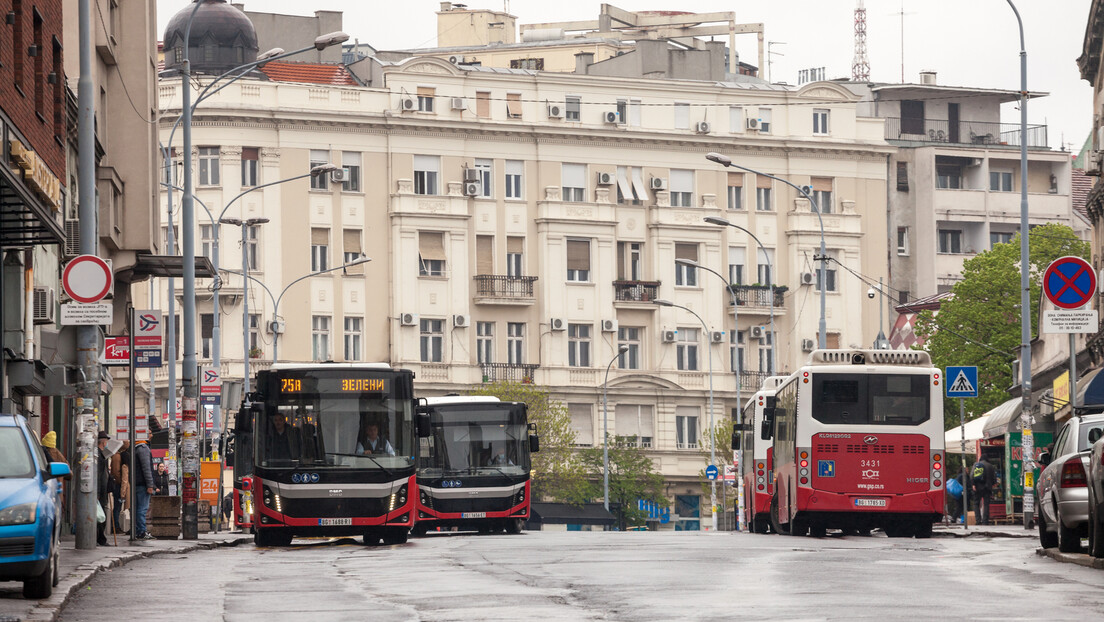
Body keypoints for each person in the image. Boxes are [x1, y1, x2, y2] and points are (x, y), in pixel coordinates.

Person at [132, 439, 156, 540]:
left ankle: (138, 530)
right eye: (149, 434)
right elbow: (147, 468)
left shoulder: (135, 449)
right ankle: (141, 531)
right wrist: (150, 485)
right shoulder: (143, 448)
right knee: (142, 509)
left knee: (137, 509)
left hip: (136, 483)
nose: (151, 436)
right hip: (142, 484)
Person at [96, 431, 111, 546]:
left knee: (101, 515)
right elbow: (99, 475)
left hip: (102, 490)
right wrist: (99, 492)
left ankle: (100, 538)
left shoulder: (102, 455)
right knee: (100, 516)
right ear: (103, 441)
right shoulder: (99, 456)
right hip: (100, 491)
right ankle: (100, 538)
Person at [971, 456, 997, 525]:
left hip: (977, 487)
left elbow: (972, 475)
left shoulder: (976, 464)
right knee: (986, 504)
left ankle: (978, 520)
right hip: (987, 488)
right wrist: (993, 484)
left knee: (976, 504)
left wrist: (973, 484)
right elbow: (994, 477)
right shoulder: (990, 466)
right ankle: (985, 521)